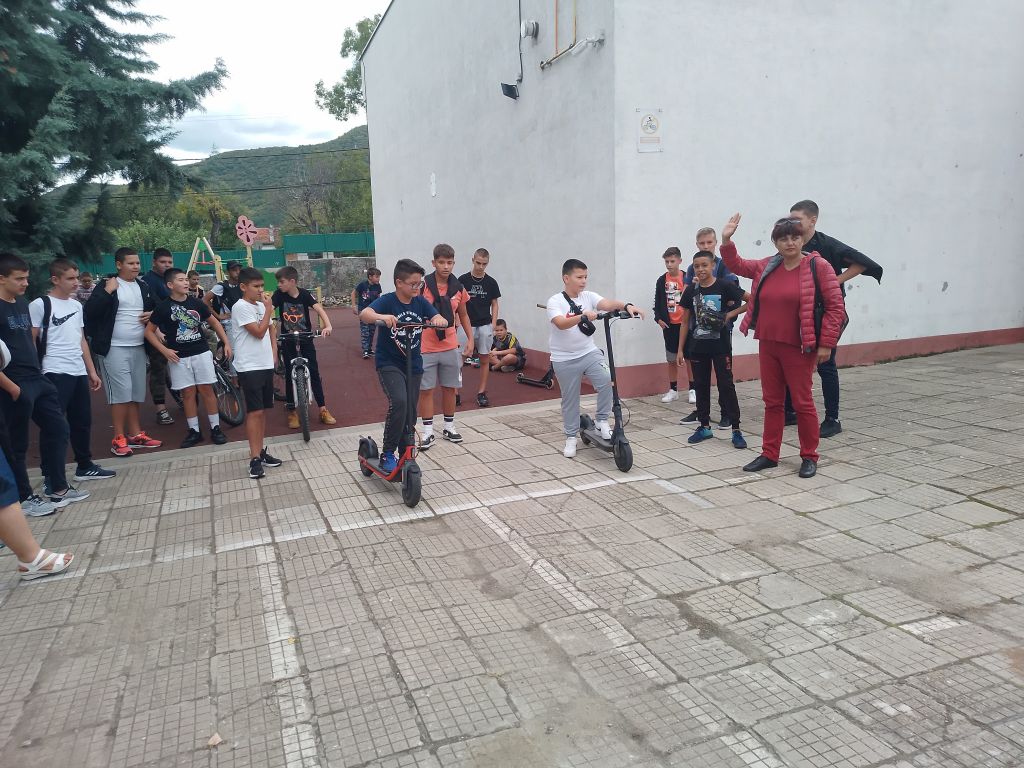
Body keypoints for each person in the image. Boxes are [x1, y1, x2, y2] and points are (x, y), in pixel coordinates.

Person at [719, 214, 845, 478]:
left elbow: (835, 307)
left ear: (802, 239)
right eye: (783, 238)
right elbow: (737, 264)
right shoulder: (768, 265)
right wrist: (727, 240)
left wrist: (826, 344)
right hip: (768, 343)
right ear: (775, 242)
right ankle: (769, 454)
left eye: (795, 237)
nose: (790, 243)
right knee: (772, 402)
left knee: (802, 402)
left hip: (799, 346)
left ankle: (809, 456)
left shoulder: (818, 266)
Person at [784, 200, 883, 437]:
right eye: (790, 219)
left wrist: (833, 281)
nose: (793, 224)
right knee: (793, 360)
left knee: (825, 364)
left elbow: (862, 263)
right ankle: (790, 410)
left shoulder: (827, 245)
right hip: (799, 312)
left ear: (812, 221)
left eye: (797, 219)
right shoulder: (792, 243)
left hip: (825, 313)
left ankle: (832, 418)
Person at [0, 253, 89, 515]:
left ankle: (58, 488)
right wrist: (12, 387)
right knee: (17, 444)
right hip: (14, 383)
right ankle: (24, 497)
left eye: (26, 278)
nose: (25, 283)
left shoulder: (21, 303)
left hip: (37, 379)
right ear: (2, 278)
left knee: (58, 428)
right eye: (19, 279)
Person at [30, 259, 116, 484]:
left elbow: (81, 339)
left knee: (82, 421)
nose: (76, 282)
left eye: (77, 277)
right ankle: (51, 476)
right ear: (55, 279)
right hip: (53, 371)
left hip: (77, 371)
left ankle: (84, 466)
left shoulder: (76, 305)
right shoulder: (40, 304)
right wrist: (35, 372)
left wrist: (91, 371)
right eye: (70, 278)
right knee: (54, 426)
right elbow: (31, 340)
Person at [547, 258, 644, 458]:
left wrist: (627, 305)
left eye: (585, 277)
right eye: (579, 277)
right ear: (566, 278)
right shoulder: (555, 301)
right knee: (570, 399)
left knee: (607, 380)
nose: (583, 281)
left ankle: (601, 421)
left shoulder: (588, 296)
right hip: (563, 358)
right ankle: (571, 437)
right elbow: (560, 323)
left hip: (588, 352)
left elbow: (607, 304)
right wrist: (582, 317)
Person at [359, 259, 447, 473]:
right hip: (389, 363)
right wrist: (381, 317)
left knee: (410, 412)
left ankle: (405, 452)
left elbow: (437, 316)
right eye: (413, 284)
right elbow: (365, 314)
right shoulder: (388, 301)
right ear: (399, 282)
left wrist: (438, 320)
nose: (417, 288)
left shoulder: (420, 302)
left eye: (419, 284)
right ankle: (387, 453)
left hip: (413, 364)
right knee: (399, 402)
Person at [84, 247, 162, 456]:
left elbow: (161, 307)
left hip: (138, 347)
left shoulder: (143, 286)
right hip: (114, 348)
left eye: (137, 263)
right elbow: (90, 312)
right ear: (119, 265)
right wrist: (107, 291)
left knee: (136, 392)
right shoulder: (107, 285)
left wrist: (152, 314)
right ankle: (118, 438)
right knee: (121, 394)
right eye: (131, 263)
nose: (136, 267)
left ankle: (135, 435)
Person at [145, 268, 231, 448]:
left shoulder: (196, 303)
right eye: (181, 280)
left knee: (207, 390)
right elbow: (149, 332)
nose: (185, 282)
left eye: (186, 279)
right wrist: (164, 350)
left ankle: (215, 428)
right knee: (187, 393)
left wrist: (226, 343)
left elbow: (214, 322)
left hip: (201, 353)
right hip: (179, 358)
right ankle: (194, 430)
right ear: (170, 285)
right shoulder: (163, 307)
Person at [675, 251, 749, 449]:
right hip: (698, 348)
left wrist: (729, 315)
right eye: (696, 266)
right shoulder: (691, 291)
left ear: (713, 266)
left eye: (704, 265)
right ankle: (704, 426)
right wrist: (680, 349)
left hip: (721, 347)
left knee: (726, 386)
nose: (700, 269)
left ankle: (736, 429)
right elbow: (685, 322)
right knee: (701, 386)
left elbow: (752, 300)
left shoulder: (725, 286)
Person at [679, 228, 740, 428]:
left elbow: (733, 295)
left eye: (709, 242)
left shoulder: (724, 265)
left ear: (715, 243)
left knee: (724, 378)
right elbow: (688, 293)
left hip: (720, 331)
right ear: (697, 244)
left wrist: (728, 314)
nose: (706, 246)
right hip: (698, 330)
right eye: (702, 243)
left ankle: (727, 414)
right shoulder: (692, 267)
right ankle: (701, 414)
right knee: (701, 379)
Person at [418, 244, 473, 448]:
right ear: (434, 263)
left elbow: (463, 314)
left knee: (450, 388)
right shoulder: (423, 286)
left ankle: (449, 427)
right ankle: (428, 432)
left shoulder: (458, 288)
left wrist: (470, 339)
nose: (446, 266)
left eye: (449, 262)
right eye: (441, 262)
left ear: (454, 263)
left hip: (450, 346)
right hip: (426, 347)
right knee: (426, 389)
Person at [229, 268, 281, 479]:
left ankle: (260, 451)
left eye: (262, 286)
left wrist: (274, 353)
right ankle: (254, 458)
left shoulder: (260, 306)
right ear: (243, 287)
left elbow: (271, 330)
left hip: (264, 363)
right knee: (254, 412)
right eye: (256, 286)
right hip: (249, 366)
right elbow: (259, 332)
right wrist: (268, 309)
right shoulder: (240, 307)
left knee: (263, 411)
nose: (260, 290)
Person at [272, 266, 336, 429]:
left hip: (306, 338)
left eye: (282, 282)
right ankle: (292, 411)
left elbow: (319, 308)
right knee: (289, 373)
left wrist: (328, 325)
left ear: (292, 281)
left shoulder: (305, 294)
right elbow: (269, 310)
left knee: (314, 372)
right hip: (288, 339)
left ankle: (323, 409)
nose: (279, 285)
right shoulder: (279, 295)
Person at [458, 248, 501, 407]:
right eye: (478, 263)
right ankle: (455, 392)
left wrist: (493, 324)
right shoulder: (462, 280)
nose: (481, 267)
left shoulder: (491, 282)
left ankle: (481, 392)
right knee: (459, 360)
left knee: (484, 359)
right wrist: (457, 321)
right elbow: (456, 302)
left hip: (484, 325)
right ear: (473, 260)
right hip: (466, 325)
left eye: (484, 264)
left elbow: (495, 304)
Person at [142, 247, 175, 426]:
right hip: (157, 332)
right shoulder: (148, 281)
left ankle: (182, 396)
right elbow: (149, 309)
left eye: (170, 262)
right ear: (154, 262)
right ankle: (160, 409)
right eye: (163, 262)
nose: (167, 265)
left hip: (176, 330)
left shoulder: (173, 279)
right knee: (158, 370)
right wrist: (156, 330)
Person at [653, 246, 687, 405]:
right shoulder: (662, 280)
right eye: (666, 261)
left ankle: (693, 389)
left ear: (679, 261)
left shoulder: (687, 277)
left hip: (686, 324)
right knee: (672, 359)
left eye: (672, 261)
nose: (669, 264)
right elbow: (657, 302)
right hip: (670, 325)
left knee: (690, 358)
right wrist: (658, 319)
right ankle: (673, 390)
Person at [204, 260, 244, 346]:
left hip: (243, 322)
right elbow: (205, 300)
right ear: (227, 272)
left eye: (239, 270)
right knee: (233, 350)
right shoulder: (221, 287)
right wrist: (218, 316)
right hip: (230, 324)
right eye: (234, 270)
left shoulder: (242, 285)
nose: (238, 272)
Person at [351, 268, 383, 359]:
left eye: (379, 277)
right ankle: (365, 350)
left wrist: (379, 308)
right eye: (377, 277)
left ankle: (369, 349)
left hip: (373, 311)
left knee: (372, 331)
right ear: (370, 277)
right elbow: (353, 293)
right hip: (363, 311)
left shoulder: (378, 286)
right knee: (365, 331)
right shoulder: (362, 285)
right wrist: (354, 306)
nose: (378, 279)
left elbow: (378, 297)